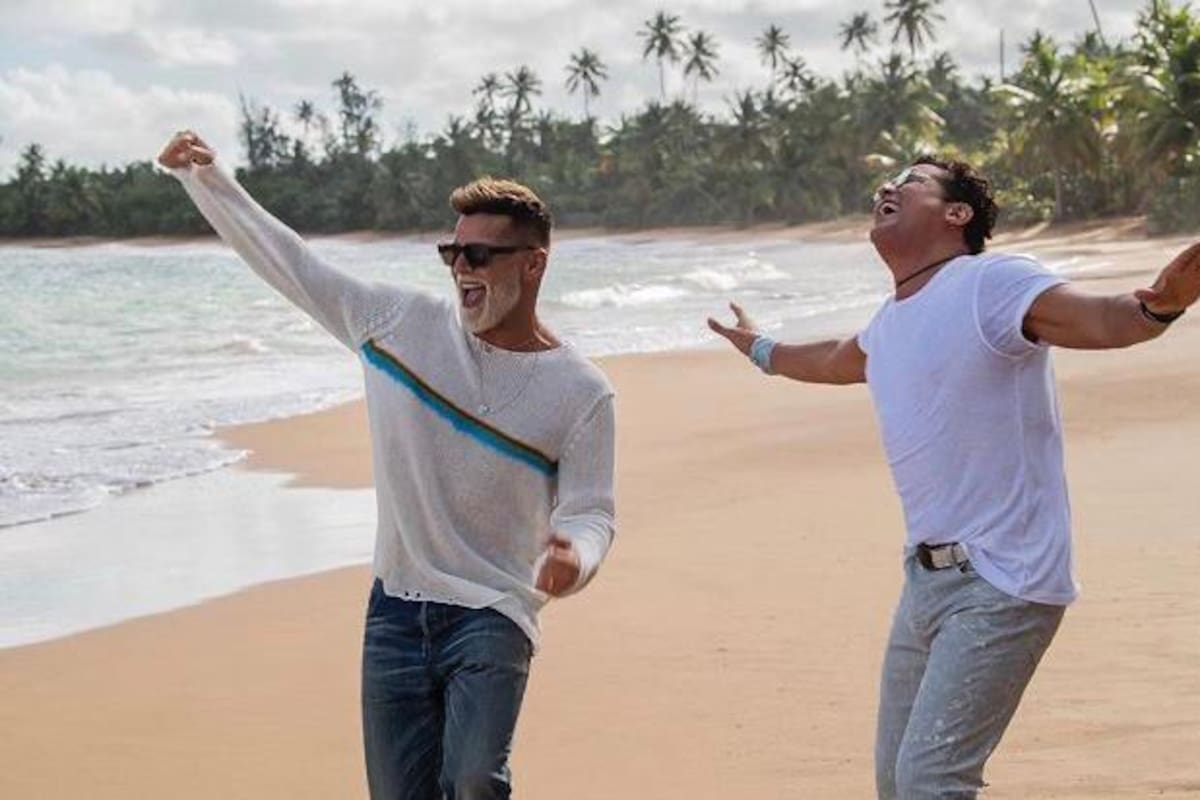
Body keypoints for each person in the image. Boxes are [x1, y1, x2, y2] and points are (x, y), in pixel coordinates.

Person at [708, 155, 1200, 799]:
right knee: (898, 782)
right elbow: (830, 359)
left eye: (909, 183)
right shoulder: (891, 323)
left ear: (956, 213)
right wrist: (762, 349)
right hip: (925, 583)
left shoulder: (989, 281)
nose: (887, 188)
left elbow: (1098, 319)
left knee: (930, 780)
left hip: (1003, 577)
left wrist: (1154, 310)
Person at [157, 131, 617, 800]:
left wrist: (576, 554)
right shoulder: (397, 325)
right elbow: (292, 264)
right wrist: (206, 180)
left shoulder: (581, 392)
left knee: (473, 782)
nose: (463, 269)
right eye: (452, 253)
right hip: (395, 613)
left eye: (481, 254)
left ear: (533, 264)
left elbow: (592, 510)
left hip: (494, 611)